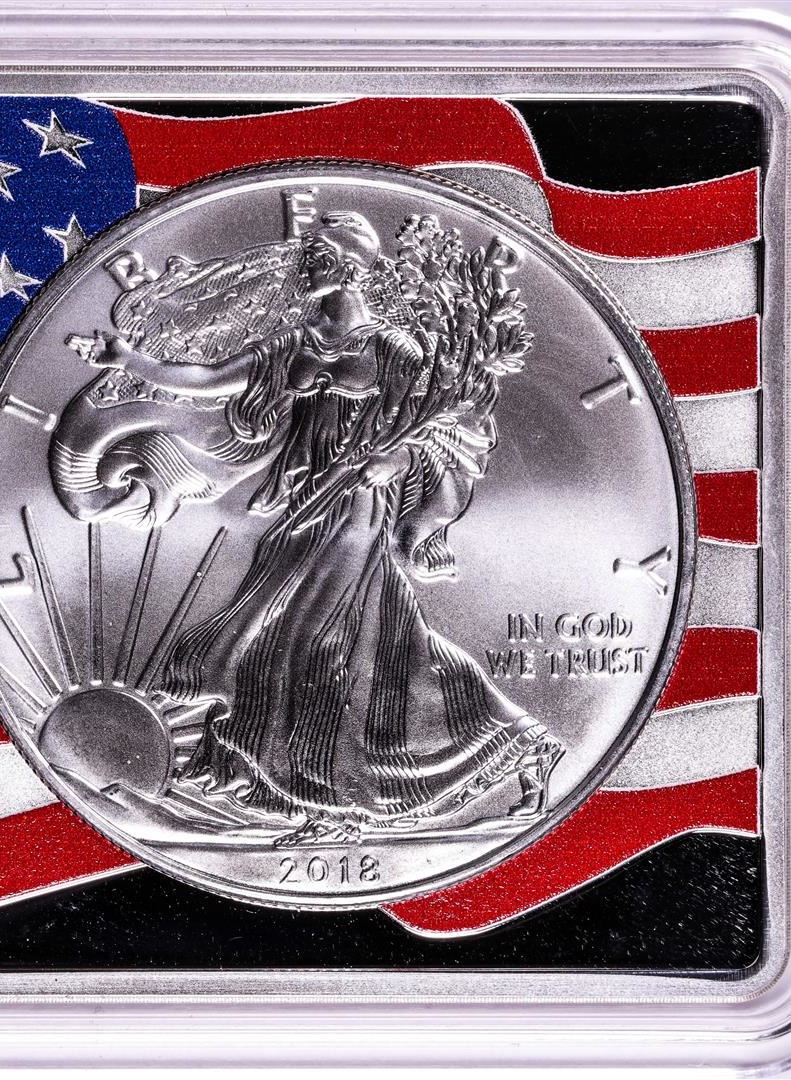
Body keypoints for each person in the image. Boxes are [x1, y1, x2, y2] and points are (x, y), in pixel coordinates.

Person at [85, 214, 562, 844]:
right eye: (308, 253)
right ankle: (520, 742)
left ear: (346, 266)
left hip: (361, 509)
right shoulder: (294, 344)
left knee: (323, 647)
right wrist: (131, 361)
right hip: (308, 509)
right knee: (368, 646)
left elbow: (454, 431)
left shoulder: (396, 352)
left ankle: (337, 810)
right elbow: (210, 382)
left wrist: (403, 457)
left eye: (315, 254)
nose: (303, 264)